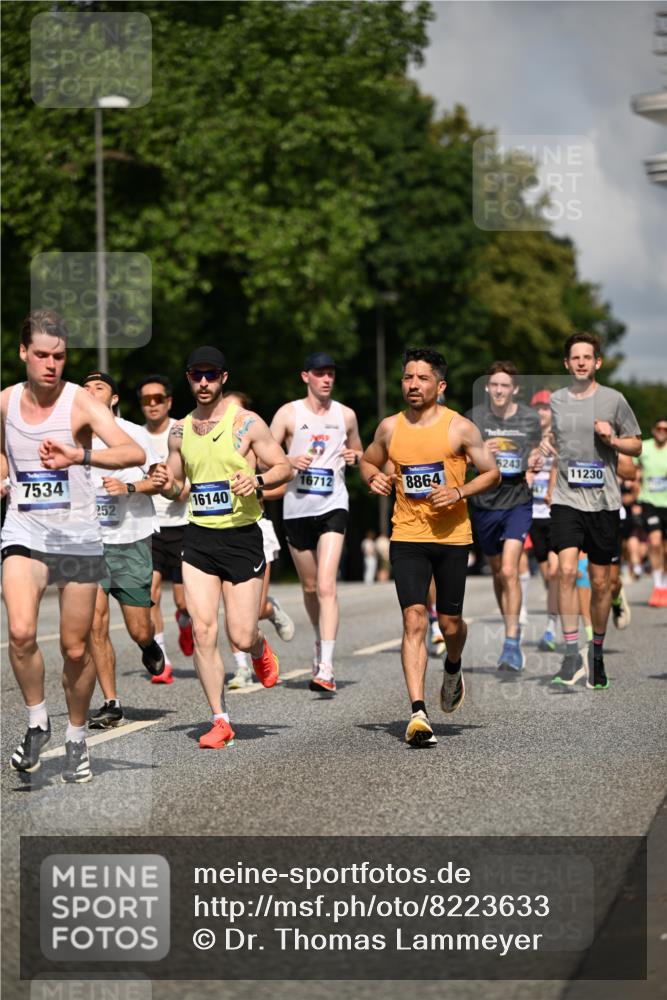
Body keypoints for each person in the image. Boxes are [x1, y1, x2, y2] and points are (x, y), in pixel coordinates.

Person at [1, 310, 145, 782]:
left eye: (59, 356)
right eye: (41, 355)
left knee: (76, 648)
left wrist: (79, 454)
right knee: (21, 632)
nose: (50, 364)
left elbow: (132, 452)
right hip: (25, 530)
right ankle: (38, 721)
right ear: (24, 353)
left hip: (78, 537)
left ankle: (77, 738)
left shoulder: (80, 403)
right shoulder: (5, 403)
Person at [151, 346, 292, 748]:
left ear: (224, 378)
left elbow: (283, 466)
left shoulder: (247, 423)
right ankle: (220, 718)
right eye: (197, 375)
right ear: (189, 378)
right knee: (203, 630)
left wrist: (258, 481)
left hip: (241, 537)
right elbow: (179, 488)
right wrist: (166, 483)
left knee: (242, 635)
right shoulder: (178, 430)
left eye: (211, 375)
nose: (204, 382)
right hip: (199, 538)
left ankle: (261, 650)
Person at [360, 347, 500, 748]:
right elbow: (368, 462)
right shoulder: (389, 428)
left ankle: (453, 665)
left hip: (452, 538)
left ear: (440, 386)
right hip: (407, 535)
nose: (413, 385)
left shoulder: (460, 428)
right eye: (407, 377)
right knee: (414, 619)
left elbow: (492, 474)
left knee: (450, 624)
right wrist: (374, 479)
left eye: (422, 378)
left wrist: (458, 491)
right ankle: (418, 712)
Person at [548, 332, 641, 690]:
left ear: (597, 363)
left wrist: (612, 440)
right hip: (566, 499)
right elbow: (550, 437)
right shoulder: (556, 401)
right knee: (567, 571)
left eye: (588, 357)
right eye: (576, 357)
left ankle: (596, 651)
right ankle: (572, 655)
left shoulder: (614, 400)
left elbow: (636, 445)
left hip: (603, 503)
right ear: (567, 364)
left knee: (601, 584)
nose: (582, 362)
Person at [270, 352, 363, 693]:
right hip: (296, 509)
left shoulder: (346, 415)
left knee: (326, 585)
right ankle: (319, 643)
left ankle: (326, 665)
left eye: (331, 374)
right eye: (320, 374)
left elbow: (360, 452)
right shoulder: (288, 413)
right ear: (305, 376)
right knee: (309, 588)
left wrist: (357, 457)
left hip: (333, 505)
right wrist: (289, 459)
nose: (327, 379)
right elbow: (263, 452)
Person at [82, 372, 165, 729]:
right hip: (88, 544)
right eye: (84, 389)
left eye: (98, 388)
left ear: (114, 399)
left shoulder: (136, 433)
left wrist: (128, 486)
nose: (90, 392)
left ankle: (148, 645)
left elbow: (161, 480)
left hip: (131, 540)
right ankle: (112, 702)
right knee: (95, 623)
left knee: (139, 629)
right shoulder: (73, 437)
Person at [467, 362, 543, 671]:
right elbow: (460, 462)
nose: (499, 390)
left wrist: (535, 459)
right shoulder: (473, 420)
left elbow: (538, 450)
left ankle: (512, 642)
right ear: (487, 387)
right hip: (485, 503)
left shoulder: (529, 418)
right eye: (494, 385)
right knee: (498, 573)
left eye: (505, 386)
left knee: (510, 571)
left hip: (518, 499)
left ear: (514, 389)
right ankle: (510, 625)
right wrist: (481, 452)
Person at [222, 390, 295, 690]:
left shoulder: (254, 444)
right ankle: (241, 667)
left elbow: (282, 483)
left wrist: (256, 488)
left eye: (236, 411)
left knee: (254, 610)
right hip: (220, 529)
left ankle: (271, 609)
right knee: (231, 609)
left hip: (256, 527)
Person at [138, 373, 194, 672]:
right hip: (151, 526)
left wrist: (181, 490)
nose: (152, 405)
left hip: (183, 523)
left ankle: (185, 622)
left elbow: (193, 472)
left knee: (184, 601)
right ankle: (163, 659)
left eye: (158, 398)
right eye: (146, 400)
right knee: (152, 593)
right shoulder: (135, 434)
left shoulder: (182, 430)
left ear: (168, 401)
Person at [526, 389, 559, 652]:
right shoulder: (526, 439)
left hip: (556, 513)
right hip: (533, 514)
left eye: (546, 408)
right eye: (537, 408)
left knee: (558, 572)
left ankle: (551, 628)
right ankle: (555, 615)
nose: (541, 412)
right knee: (548, 575)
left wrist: (551, 489)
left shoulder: (560, 439)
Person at [636, 416, 667, 607]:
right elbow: (632, 471)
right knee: (654, 543)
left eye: (666, 429)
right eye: (660, 428)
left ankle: (665, 584)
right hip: (649, 503)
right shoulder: (644, 448)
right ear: (653, 429)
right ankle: (658, 586)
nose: (662, 432)